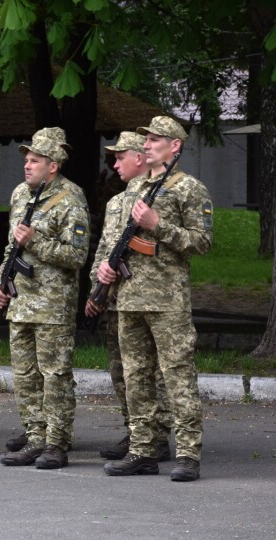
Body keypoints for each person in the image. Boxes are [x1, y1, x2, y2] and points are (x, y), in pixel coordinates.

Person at [101, 116, 212, 482]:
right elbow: (115, 245)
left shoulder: (188, 189)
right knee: (136, 378)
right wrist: (105, 271)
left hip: (167, 301)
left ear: (174, 146)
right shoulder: (133, 192)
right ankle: (143, 450)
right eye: (145, 139)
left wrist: (156, 225)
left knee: (177, 375)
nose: (146, 144)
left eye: (155, 139)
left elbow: (202, 242)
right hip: (129, 299)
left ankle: (187, 454)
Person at [0, 127, 90, 470]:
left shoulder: (71, 198)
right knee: (25, 375)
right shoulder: (21, 195)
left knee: (55, 375)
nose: (27, 165)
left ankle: (57, 442)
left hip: (52, 305)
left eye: (35, 160)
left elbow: (77, 256)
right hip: (20, 301)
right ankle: (35, 438)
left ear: (53, 165)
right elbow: (11, 245)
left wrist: (35, 241)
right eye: (26, 160)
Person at [86, 131, 173, 462]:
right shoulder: (115, 203)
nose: (114, 163)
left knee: (153, 372)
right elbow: (104, 249)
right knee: (122, 371)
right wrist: (98, 285)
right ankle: (136, 431)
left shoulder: (159, 197)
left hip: (149, 298)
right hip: (115, 299)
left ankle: (158, 436)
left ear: (140, 158)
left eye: (120, 156)